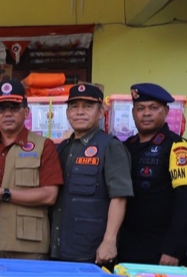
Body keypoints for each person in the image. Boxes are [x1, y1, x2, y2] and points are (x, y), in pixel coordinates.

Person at [0, 78, 61, 259]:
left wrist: (3, 193)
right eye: (1, 108)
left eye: (14, 107)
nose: (7, 114)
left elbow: (50, 195)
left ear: (26, 111)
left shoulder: (44, 146)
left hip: (27, 244)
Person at [116, 83, 187, 266]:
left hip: (160, 252)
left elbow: (186, 201)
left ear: (166, 111)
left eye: (153, 108)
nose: (146, 113)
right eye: (140, 108)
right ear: (133, 113)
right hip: (125, 248)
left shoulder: (178, 147)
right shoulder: (126, 147)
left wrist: (173, 249)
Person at [51, 82, 133, 264]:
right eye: (74, 107)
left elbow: (119, 197)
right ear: (67, 113)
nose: (80, 112)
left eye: (88, 106)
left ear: (101, 112)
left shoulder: (111, 146)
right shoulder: (63, 148)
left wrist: (109, 241)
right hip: (59, 247)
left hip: (92, 251)